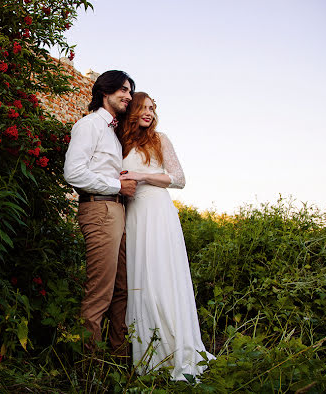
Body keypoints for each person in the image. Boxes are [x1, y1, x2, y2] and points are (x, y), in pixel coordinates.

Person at [117, 92, 214, 379]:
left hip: (158, 212)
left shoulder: (160, 140)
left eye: (152, 108)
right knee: (139, 278)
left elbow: (179, 179)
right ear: (132, 111)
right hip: (133, 214)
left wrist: (142, 176)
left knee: (161, 276)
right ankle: (147, 357)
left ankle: (176, 349)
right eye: (143, 108)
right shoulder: (121, 142)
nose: (148, 113)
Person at [63, 70, 137, 355]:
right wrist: (117, 184)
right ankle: (89, 367)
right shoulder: (90, 125)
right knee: (100, 292)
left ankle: (118, 356)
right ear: (105, 92)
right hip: (99, 207)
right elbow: (74, 173)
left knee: (121, 289)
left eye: (130, 91)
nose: (128, 96)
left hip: (116, 210)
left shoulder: (113, 134)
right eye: (123, 89)